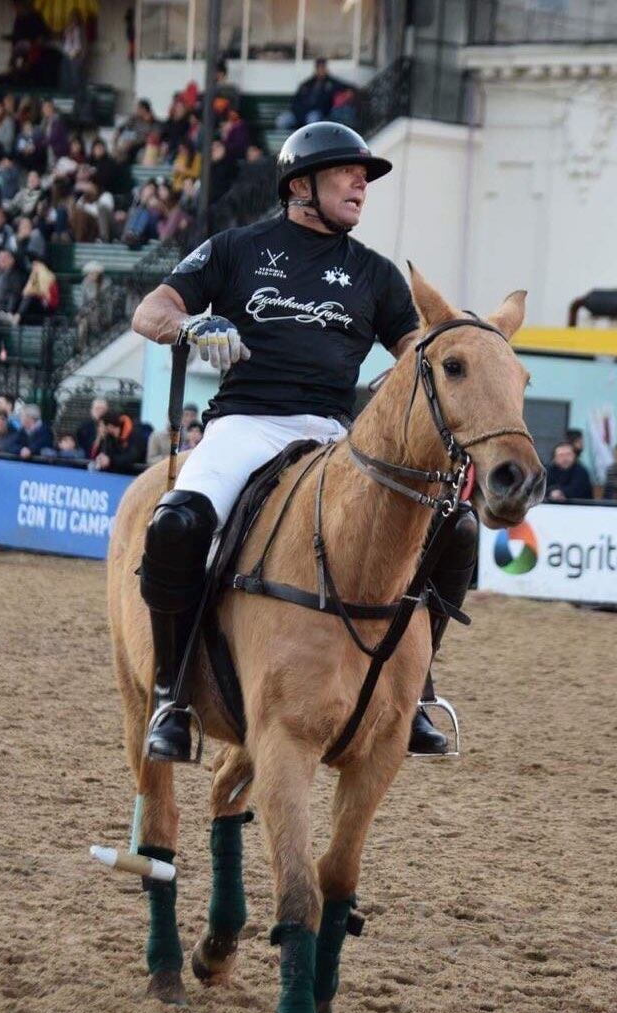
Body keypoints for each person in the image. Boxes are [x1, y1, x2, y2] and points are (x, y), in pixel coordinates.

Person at [131, 120, 473, 761]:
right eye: (348, 172)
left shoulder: (374, 275)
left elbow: (418, 359)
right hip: (244, 424)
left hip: (332, 439)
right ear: (300, 185)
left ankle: (418, 688)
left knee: (456, 530)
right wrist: (190, 325)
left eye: (365, 176)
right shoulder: (236, 247)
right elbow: (148, 310)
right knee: (177, 524)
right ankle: (171, 696)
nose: (360, 185)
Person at [276, 59, 347, 131]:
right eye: (319, 68)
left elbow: (348, 89)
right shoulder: (307, 83)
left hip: (317, 113)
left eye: (323, 67)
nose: (321, 70)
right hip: (299, 112)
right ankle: (289, 141)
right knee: (282, 121)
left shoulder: (332, 83)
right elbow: (295, 100)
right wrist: (296, 111)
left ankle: (310, 141)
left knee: (312, 120)